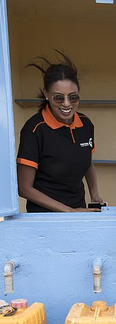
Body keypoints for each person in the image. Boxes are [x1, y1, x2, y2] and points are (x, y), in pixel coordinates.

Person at [16, 51, 103, 212]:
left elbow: (87, 162)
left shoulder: (85, 124)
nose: (67, 104)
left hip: (79, 211)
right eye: (58, 97)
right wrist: (69, 211)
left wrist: (95, 195)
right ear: (46, 94)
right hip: (44, 218)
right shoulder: (34, 130)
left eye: (73, 97)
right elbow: (24, 188)